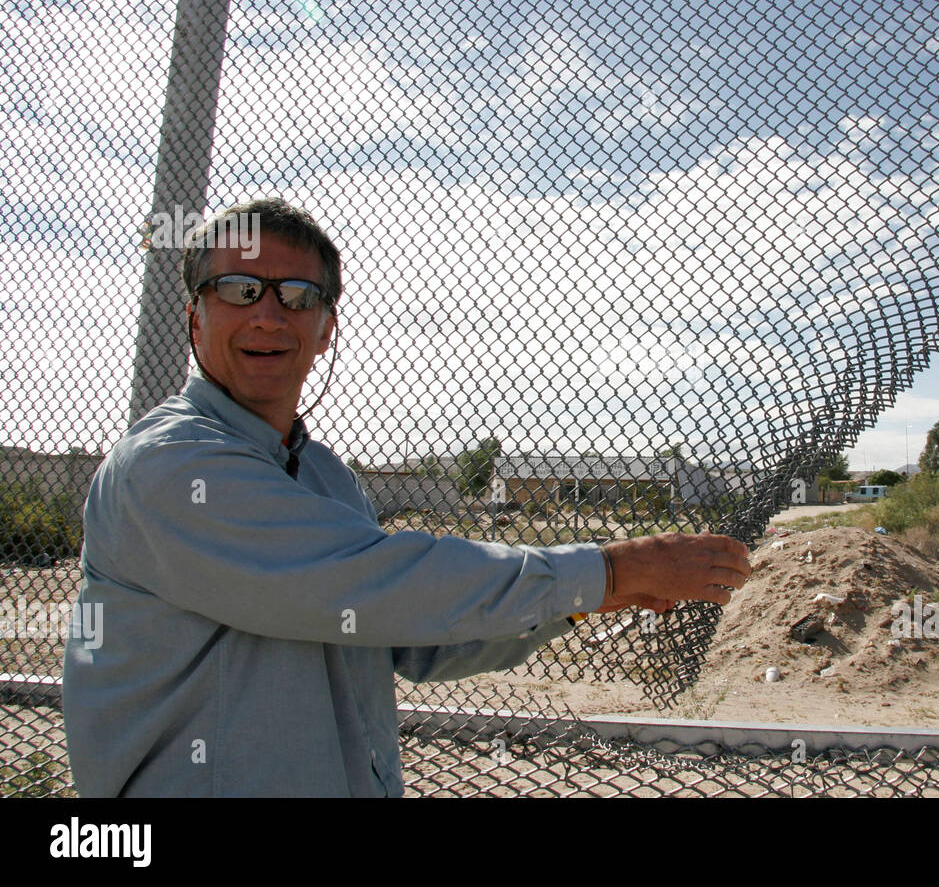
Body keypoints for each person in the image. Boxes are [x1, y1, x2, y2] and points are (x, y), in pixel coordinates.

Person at [61, 198, 750, 796]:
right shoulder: (170, 465)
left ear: (326, 328)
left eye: (298, 296)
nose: (269, 317)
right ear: (194, 317)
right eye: (239, 289)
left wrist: (582, 601)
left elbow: (415, 644)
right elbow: (373, 586)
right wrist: (608, 569)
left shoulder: (325, 476)